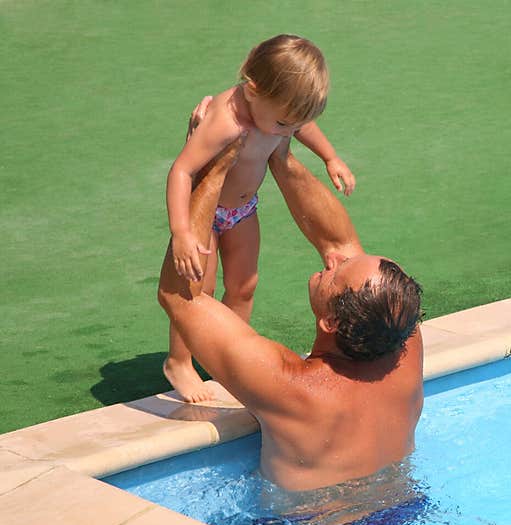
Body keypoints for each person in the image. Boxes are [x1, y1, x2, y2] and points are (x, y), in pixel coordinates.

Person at [158, 134, 424, 493]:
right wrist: (280, 155)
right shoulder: (401, 338)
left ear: (332, 322)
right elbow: (337, 241)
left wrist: (213, 169)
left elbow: (180, 297)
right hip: (400, 510)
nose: (333, 258)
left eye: (339, 271)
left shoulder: (291, 385)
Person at [164, 33, 357, 403]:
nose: (290, 132)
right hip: (206, 213)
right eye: (285, 123)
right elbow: (181, 172)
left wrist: (330, 157)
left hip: (243, 209)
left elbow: (303, 125)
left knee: (244, 285)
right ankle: (178, 362)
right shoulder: (227, 121)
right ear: (252, 90)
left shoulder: (277, 112)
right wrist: (181, 232)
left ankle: (230, 359)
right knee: (196, 291)